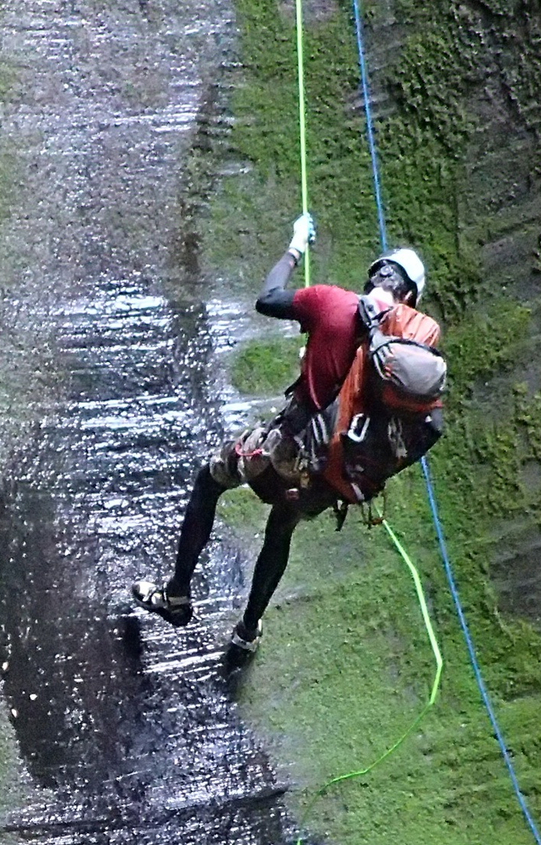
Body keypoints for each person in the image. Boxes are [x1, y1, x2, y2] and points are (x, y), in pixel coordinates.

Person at [134, 215, 446, 649]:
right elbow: (424, 425)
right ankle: (247, 631)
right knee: (281, 528)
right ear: (409, 297)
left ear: (375, 275)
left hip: (284, 450)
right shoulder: (413, 355)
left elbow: (267, 298)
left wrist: (296, 245)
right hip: (332, 476)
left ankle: (177, 595)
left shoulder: (333, 303)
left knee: (210, 480)